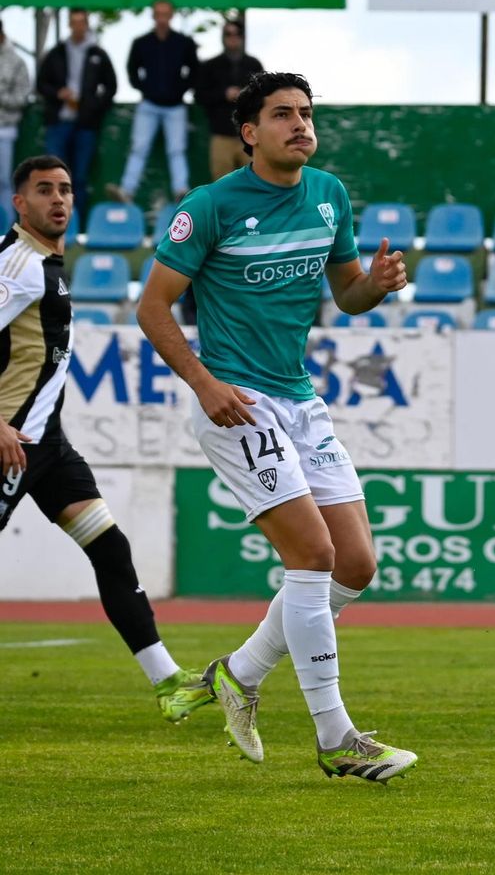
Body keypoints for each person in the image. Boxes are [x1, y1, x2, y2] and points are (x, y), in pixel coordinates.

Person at [137, 72, 416, 782]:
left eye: (307, 114)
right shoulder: (210, 208)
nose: (301, 124)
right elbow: (153, 309)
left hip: (300, 397)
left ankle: (237, 674)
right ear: (249, 135)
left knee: (356, 564)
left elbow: (346, 293)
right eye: (284, 114)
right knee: (313, 556)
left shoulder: (328, 195)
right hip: (239, 401)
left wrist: (375, 286)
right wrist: (206, 385)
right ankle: (336, 737)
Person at [0, 155, 212, 723]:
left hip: (51, 448)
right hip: (12, 444)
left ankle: (168, 682)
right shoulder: (18, 265)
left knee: (110, 550)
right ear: (19, 203)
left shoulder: (48, 263)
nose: (58, 200)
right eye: (43, 190)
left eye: (65, 189)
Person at [111, 0, 199, 204]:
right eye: (158, 14)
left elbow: (194, 71)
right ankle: (126, 191)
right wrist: (144, 88)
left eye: (165, 14)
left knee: (176, 150)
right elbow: (132, 69)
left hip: (175, 105)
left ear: (171, 15)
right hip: (149, 104)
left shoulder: (183, 43)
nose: (161, 18)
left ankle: (181, 190)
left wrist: (179, 90)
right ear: (153, 15)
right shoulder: (142, 43)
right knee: (138, 148)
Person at [36, 9, 118, 206]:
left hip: (85, 124)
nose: (78, 26)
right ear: (69, 24)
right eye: (74, 22)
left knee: (79, 177)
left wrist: (92, 106)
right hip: (58, 122)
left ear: (87, 24)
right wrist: (58, 93)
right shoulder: (56, 53)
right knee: (52, 176)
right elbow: (41, 84)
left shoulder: (98, 54)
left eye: (82, 22)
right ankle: (52, 224)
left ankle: (76, 227)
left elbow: (111, 86)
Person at [194, 19, 264, 182]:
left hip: (249, 135)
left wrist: (244, 95)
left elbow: (263, 96)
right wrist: (223, 94)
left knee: (256, 183)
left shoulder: (254, 64)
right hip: (221, 134)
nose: (233, 38)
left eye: (237, 34)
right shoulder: (210, 66)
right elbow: (199, 95)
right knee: (222, 185)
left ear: (243, 37)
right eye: (228, 34)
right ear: (223, 37)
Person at [0, 20, 30, 216]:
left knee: (3, 181)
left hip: (4, 128)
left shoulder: (17, 61)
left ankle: (5, 231)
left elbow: (22, 98)